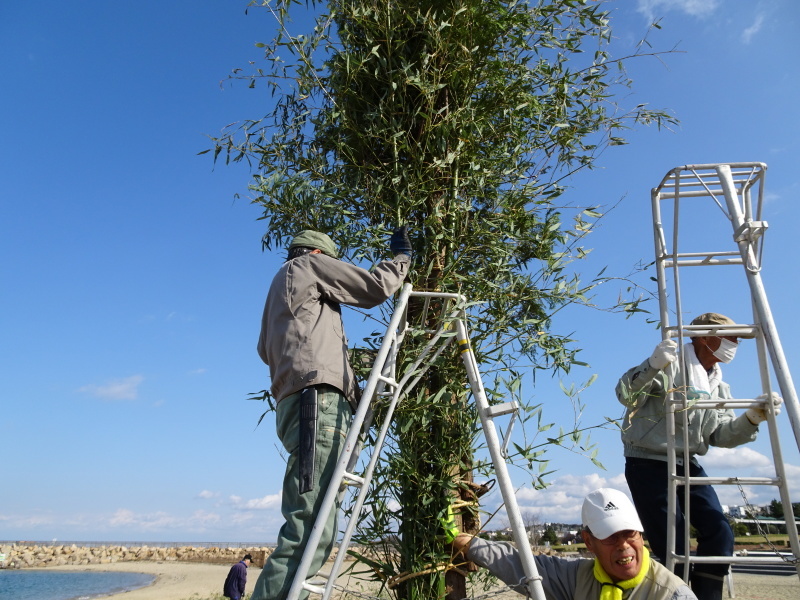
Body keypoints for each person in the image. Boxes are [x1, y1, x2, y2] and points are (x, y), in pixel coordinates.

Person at [250, 228, 412, 600]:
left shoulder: (277, 298)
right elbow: (373, 287)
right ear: (315, 254)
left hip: (297, 406)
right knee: (308, 529)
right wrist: (402, 258)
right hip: (316, 406)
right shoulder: (309, 266)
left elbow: (268, 351)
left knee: (312, 524)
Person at [616, 312, 783, 600]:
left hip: (687, 461)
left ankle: (707, 596)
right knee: (673, 543)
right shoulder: (669, 365)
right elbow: (626, 395)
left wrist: (753, 418)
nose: (734, 344)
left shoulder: (718, 384)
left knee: (720, 532)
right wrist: (652, 365)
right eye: (730, 338)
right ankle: (675, 595)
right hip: (647, 460)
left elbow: (719, 435)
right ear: (704, 337)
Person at [452, 488, 697, 600]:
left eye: (630, 533)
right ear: (589, 542)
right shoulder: (579, 578)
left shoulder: (672, 595)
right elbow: (518, 564)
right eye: (611, 536)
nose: (624, 545)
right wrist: (466, 543)